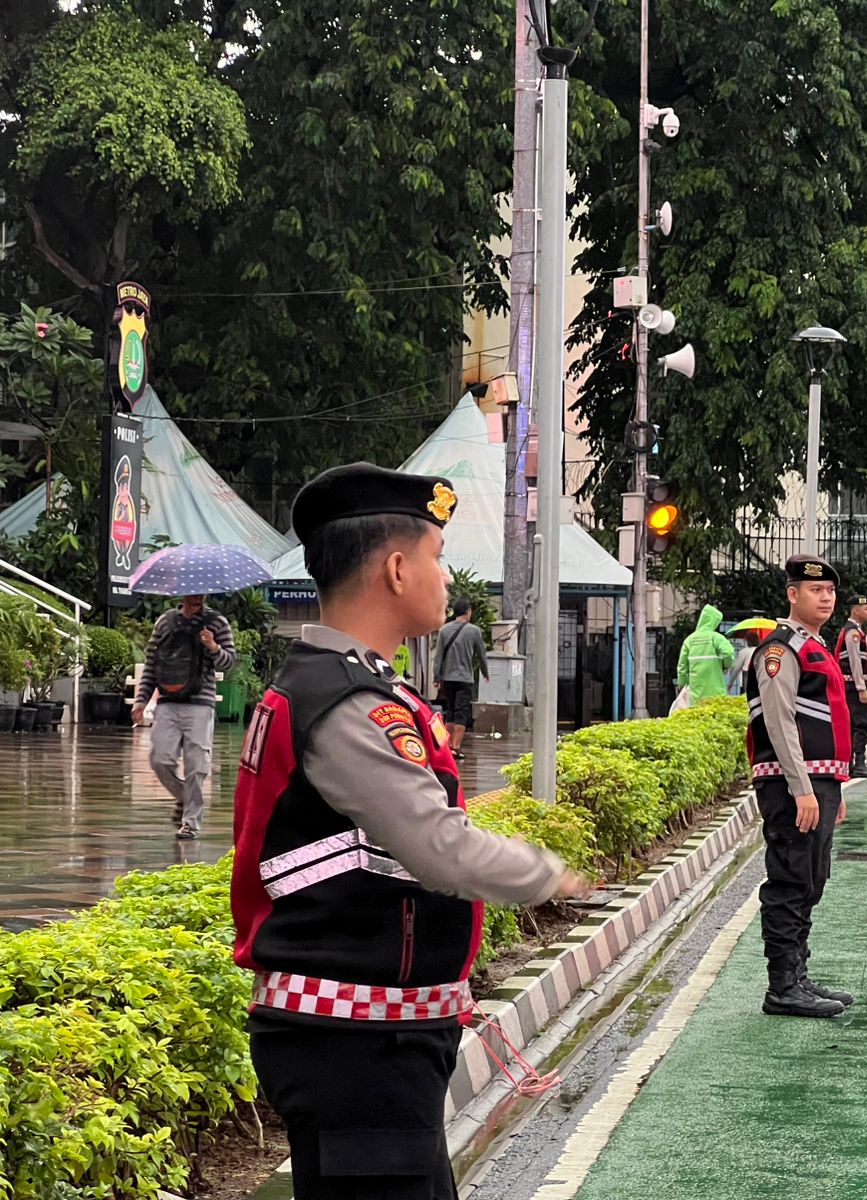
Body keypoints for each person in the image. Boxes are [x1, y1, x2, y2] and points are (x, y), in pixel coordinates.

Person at [231, 462, 588, 1200]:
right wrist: (545, 872)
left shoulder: (344, 686)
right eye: (434, 556)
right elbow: (437, 846)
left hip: (370, 1035)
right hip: (355, 1045)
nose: (445, 576)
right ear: (396, 569)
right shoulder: (350, 703)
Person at [746, 555, 855, 1018]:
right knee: (791, 878)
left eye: (830, 590)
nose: (825, 597)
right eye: (815, 591)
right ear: (793, 594)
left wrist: (834, 787)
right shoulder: (781, 648)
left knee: (811, 878)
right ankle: (782, 987)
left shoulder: (817, 646)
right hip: (792, 785)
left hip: (817, 782)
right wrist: (803, 787)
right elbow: (779, 720)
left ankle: (798, 976)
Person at [133, 594, 237, 840]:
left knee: (196, 765)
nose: (198, 596)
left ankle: (191, 822)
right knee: (160, 759)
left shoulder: (217, 622)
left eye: (203, 592)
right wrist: (141, 700)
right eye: (193, 591)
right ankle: (184, 796)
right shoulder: (165, 622)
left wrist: (213, 647)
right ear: (182, 593)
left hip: (200, 704)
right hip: (168, 701)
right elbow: (151, 664)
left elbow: (230, 663)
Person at [834, 594, 867, 779]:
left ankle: (852, 764)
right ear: (855, 610)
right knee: (860, 723)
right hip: (851, 685)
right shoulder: (852, 632)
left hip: (850, 684)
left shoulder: (856, 631)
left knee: (853, 724)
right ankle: (857, 764)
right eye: (866, 608)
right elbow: (855, 662)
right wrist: (861, 687)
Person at [434, 599, 488, 759]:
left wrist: (437, 676)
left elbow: (438, 657)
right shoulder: (474, 631)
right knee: (462, 711)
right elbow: (481, 654)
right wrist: (485, 672)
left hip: (447, 678)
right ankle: (456, 747)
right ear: (468, 611)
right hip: (465, 678)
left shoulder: (444, 630)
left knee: (450, 711)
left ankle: (447, 746)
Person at [677, 603, 736, 705]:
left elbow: (682, 666)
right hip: (716, 692)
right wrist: (725, 665)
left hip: (695, 693)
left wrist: (681, 684)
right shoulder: (716, 638)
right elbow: (729, 653)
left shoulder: (689, 640)